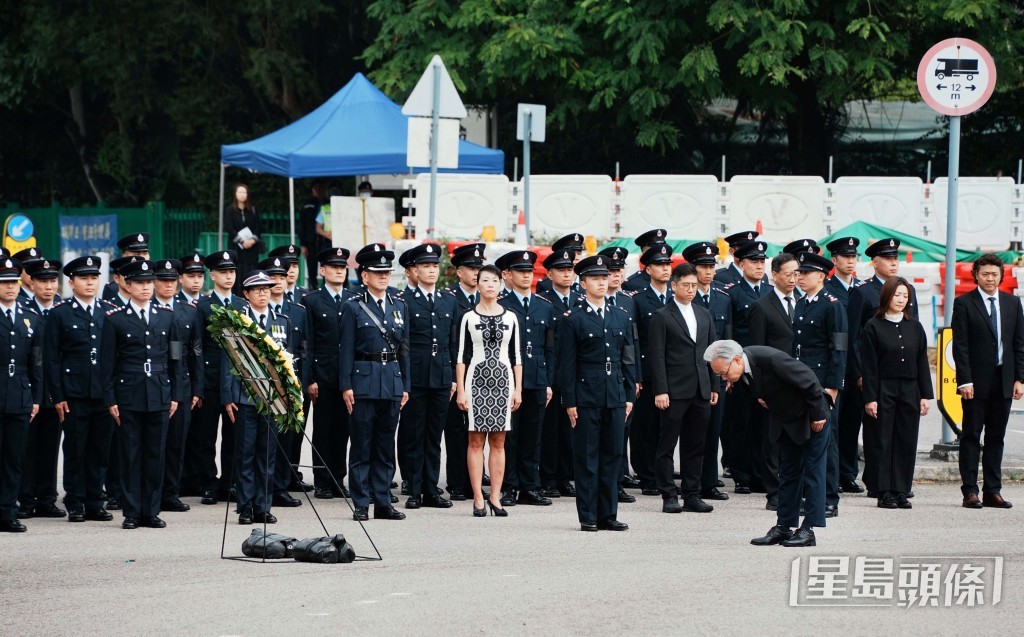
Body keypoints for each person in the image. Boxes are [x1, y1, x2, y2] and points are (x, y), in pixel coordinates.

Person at [705, 340, 829, 547]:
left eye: (723, 373)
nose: (724, 378)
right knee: (788, 473)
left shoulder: (770, 359)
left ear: (736, 360)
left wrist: (818, 416)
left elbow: (809, 381)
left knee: (813, 472)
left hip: (811, 416)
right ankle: (784, 526)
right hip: (786, 419)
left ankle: (808, 529)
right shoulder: (742, 371)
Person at [557, 255, 636, 532]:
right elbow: (566, 364)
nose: (602, 282)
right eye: (595, 278)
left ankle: (608, 514)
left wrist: (628, 395)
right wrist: (569, 401)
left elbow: (628, 359)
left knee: (613, 455)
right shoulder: (573, 319)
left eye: (605, 277)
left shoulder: (620, 315)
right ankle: (588, 515)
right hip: (586, 394)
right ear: (583, 283)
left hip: (614, 394)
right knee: (587, 458)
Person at [100, 259, 178, 530]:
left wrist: (176, 394)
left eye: (149, 282)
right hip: (129, 393)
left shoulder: (167, 316)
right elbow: (107, 363)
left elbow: (176, 359)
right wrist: (110, 399)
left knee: (156, 455)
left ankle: (151, 511)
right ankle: (132, 511)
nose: (146, 287)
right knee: (131, 455)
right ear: (128, 285)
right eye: (140, 283)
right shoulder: (115, 319)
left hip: (159, 392)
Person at [339, 243, 410, 521]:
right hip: (364, 381)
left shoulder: (398, 305)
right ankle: (360, 501)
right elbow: (345, 349)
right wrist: (346, 385)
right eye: (376, 272)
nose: (383, 276)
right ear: (364, 276)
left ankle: (382, 501)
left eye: (386, 272)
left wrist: (405, 385)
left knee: (384, 445)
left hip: (391, 380)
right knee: (361, 444)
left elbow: (404, 348)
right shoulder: (353, 307)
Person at [44, 257, 116, 524]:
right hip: (73, 393)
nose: (90, 282)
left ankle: (95, 501)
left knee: (100, 449)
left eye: (94, 278)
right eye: (84, 278)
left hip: (102, 392)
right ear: (71, 283)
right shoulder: (60, 313)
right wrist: (57, 395)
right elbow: (52, 358)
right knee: (75, 448)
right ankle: (75, 500)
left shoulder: (108, 311)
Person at [847, 238, 919, 497]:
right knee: (877, 434)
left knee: (901, 434)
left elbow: (914, 335)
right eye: (887, 258)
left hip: (902, 377)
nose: (893, 262)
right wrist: (859, 373)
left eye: (895, 258)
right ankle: (878, 482)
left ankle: (898, 484)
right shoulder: (863, 291)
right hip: (872, 373)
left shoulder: (907, 289)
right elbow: (854, 336)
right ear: (874, 262)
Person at [953, 254, 1024, 509]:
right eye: (985, 274)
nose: (990, 278)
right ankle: (970, 491)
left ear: (1001, 276)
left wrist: (1020, 378)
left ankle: (993, 490)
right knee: (971, 435)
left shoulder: (1012, 303)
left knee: (997, 436)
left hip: (1004, 380)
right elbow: (960, 346)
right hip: (975, 382)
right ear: (976, 275)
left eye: (994, 274)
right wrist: (965, 381)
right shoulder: (964, 304)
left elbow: (1019, 343)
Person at [648, 263, 719, 514]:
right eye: (686, 285)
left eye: (694, 286)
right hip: (674, 391)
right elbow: (656, 356)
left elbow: (712, 353)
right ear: (674, 286)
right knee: (667, 444)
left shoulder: (704, 314)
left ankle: (692, 494)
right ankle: (668, 494)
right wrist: (660, 390)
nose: (691, 290)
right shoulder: (662, 316)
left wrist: (714, 385)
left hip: (701, 388)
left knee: (696, 445)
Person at [223, 271, 292, 525]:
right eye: (258, 290)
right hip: (246, 396)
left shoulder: (281, 320)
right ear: (247, 294)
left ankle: (264, 505)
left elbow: (288, 360)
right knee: (246, 453)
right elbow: (229, 360)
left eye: (267, 288)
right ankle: (246, 507)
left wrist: (289, 394)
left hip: (273, 397)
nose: (264, 293)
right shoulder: (237, 322)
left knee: (267, 454)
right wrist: (228, 395)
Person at [860, 277, 933, 510]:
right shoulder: (873, 325)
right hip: (884, 388)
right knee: (883, 439)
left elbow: (922, 360)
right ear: (887, 296)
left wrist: (925, 395)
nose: (901, 300)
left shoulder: (915, 326)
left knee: (906, 439)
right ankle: (883, 491)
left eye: (905, 296)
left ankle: (901, 489)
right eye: (897, 295)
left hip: (910, 388)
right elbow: (869, 366)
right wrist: (870, 398)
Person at [455, 265, 522, 517]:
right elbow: (461, 356)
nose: (491, 284)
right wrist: (461, 390)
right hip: (476, 381)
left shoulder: (511, 317)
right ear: (479, 285)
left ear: (500, 284)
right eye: (485, 280)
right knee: (475, 441)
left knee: (499, 441)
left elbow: (517, 357)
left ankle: (495, 496)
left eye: (495, 280)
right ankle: (477, 497)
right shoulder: (468, 317)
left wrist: (518, 390)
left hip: (504, 382)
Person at [396, 243, 457, 510]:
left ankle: (431, 488)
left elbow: (453, 342)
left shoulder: (448, 300)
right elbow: (403, 344)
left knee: (434, 435)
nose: (432, 270)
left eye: (434, 266)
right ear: (414, 271)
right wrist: (404, 380)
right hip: (416, 375)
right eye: (426, 266)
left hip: (441, 374)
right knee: (414, 434)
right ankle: (414, 489)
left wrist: (454, 376)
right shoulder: (404, 301)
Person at [495, 251, 555, 507]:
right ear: (508, 275)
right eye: (520, 271)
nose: (526, 275)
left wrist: (549, 381)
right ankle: (510, 486)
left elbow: (549, 347)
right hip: (510, 378)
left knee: (534, 435)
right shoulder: (502, 305)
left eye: (529, 271)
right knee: (511, 435)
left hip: (538, 378)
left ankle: (530, 486)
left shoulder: (544, 305)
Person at [184, 251, 244, 505]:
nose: (229, 276)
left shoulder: (242, 305)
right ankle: (208, 482)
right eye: (223, 272)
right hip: (209, 380)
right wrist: (197, 385)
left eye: (232, 272)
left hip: (235, 381)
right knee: (206, 436)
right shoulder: (204, 306)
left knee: (234, 436)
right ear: (213, 275)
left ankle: (229, 483)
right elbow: (196, 348)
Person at [792, 252, 848, 518]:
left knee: (827, 441)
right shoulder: (802, 303)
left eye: (805, 273)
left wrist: (833, 386)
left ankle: (829, 498)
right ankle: (810, 495)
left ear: (821, 276)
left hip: (822, 382)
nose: (800, 277)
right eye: (799, 273)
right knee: (806, 439)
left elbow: (838, 348)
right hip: (802, 381)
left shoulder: (832, 304)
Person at [746, 252, 798, 509]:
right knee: (772, 441)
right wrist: (760, 389)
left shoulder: (804, 302)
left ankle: (795, 490)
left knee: (797, 438)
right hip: (774, 384)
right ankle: (774, 493)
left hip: (799, 382)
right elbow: (755, 352)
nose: (793, 279)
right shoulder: (761, 306)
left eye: (796, 274)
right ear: (774, 275)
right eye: (787, 274)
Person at [151, 260, 203, 514]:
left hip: (182, 386)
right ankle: (149, 492)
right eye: (163, 280)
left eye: (172, 280)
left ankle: (170, 493)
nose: (169, 284)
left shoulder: (188, 311)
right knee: (152, 445)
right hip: (153, 385)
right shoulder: (146, 309)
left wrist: (197, 388)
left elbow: (196, 351)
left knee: (176, 444)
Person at [683, 241, 732, 502]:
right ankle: (687, 482)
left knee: (713, 430)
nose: (709, 271)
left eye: (712, 266)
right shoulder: (684, 299)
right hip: (689, 375)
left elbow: (728, 339)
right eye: (703, 266)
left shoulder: (723, 297)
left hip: (717, 375)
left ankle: (709, 481)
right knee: (690, 432)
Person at [305, 247, 355, 499]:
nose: (339, 271)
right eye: (334, 267)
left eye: (342, 267)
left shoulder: (354, 298)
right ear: (322, 271)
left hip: (347, 376)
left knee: (344, 430)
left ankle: (338, 478)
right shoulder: (311, 300)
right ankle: (322, 481)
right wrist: (310, 378)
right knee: (323, 430)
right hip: (323, 376)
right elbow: (309, 342)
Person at [16, 258, 64, 520]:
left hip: (56, 391)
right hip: (29, 389)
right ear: (31, 283)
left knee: (50, 446)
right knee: (27, 446)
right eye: (42, 281)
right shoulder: (23, 310)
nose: (48, 287)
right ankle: (25, 499)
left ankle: (47, 498)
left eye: (52, 281)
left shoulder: (63, 310)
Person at [722, 240, 771, 494]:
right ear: (741, 264)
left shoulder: (770, 291)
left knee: (764, 422)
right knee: (741, 421)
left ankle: (761, 473)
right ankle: (741, 474)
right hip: (741, 367)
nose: (759, 266)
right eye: (754, 261)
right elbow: (729, 331)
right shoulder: (732, 291)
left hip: (765, 366)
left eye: (762, 261)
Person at [259, 256, 308, 508]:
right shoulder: (256, 313)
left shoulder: (297, 311)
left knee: (288, 437)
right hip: (264, 385)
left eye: (281, 276)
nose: (277, 281)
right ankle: (264, 488)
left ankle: (281, 486)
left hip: (291, 384)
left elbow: (304, 349)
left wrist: (303, 382)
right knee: (267, 439)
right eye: (272, 277)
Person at [0, 258, 43, 533]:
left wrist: (36, 398)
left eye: (13, 283)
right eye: (4, 283)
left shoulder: (31, 317)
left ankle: (7, 511)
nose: (10, 288)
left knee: (14, 458)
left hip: (20, 395)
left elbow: (36, 362)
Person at [630, 243, 674, 496]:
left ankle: (663, 474)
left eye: (668, 264)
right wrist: (636, 374)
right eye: (659, 265)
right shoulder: (639, 299)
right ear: (648, 269)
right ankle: (646, 475)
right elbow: (635, 339)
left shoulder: (676, 297)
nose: (665, 269)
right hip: (647, 370)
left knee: (667, 427)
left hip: (672, 371)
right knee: (645, 427)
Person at [537, 248, 582, 498]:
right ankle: (549, 478)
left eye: (570, 270)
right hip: (552, 373)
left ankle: (565, 477)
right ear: (550, 274)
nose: (567, 274)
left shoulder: (579, 299)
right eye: (561, 270)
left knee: (570, 428)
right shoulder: (544, 301)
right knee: (550, 428)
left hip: (574, 373)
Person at [597, 245, 640, 502]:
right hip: (597, 376)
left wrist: (636, 378)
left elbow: (632, 344)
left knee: (621, 430)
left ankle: (619, 479)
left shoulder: (627, 301)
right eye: (610, 271)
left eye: (618, 270)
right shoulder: (589, 302)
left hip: (623, 375)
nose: (615, 275)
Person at [443, 242, 486, 501]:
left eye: (479, 269)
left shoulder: (488, 298)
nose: (476, 273)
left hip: (482, 372)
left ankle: (477, 481)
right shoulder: (449, 298)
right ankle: (457, 482)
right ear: (459, 272)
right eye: (471, 268)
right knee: (456, 429)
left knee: (479, 428)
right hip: (457, 370)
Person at [824, 237, 865, 495]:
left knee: (852, 422)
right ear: (834, 260)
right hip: (835, 364)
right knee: (834, 422)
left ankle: (849, 473)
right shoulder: (828, 289)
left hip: (857, 367)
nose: (850, 261)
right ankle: (834, 474)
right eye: (845, 256)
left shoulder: (861, 289)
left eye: (853, 256)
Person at [224, 183, 263, 291]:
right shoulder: (229, 210)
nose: (242, 195)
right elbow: (229, 228)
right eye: (240, 192)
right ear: (235, 194)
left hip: (251, 249)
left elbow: (258, 227)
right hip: (237, 248)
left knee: (250, 272)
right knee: (237, 272)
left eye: (244, 192)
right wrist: (242, 241)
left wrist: (252, 240)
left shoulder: (253, 210)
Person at [102, 234, 151, 302]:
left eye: (145, 253)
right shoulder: (113, 288)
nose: (143, 258)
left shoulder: (156, 283)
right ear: (124, 256)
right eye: (137, 254)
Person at [621, 229, 668, 293]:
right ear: (644, 253)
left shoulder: (673, 281)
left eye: (662, 248)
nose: (661, 253)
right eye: (655, 250)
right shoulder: (631, 284)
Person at [300, 180, 327, 289]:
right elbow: (302, 224)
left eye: (321, 187)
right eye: (316, 188)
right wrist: (303, 244)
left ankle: (326, 288)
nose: (319, 190)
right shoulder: (307, 204)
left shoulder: (327, 203)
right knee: (311, 268)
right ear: (313, 189)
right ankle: (313, 288)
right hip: (310, 241)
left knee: (326, 266)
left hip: (324, 240)